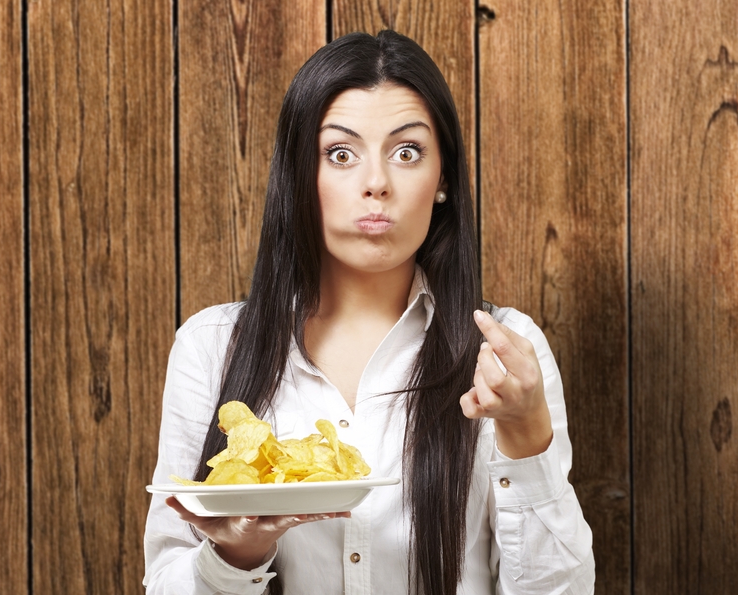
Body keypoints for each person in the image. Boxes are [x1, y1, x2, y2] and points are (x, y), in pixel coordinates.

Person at [143, 30, 594, 595]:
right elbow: (163, 582)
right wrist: (237, 555)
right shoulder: (210, 347)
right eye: (340, 154)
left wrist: (527, 436)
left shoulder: (506, 353)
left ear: (443, 180)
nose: (376, 184)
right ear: (300, 177)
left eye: (407, 152)